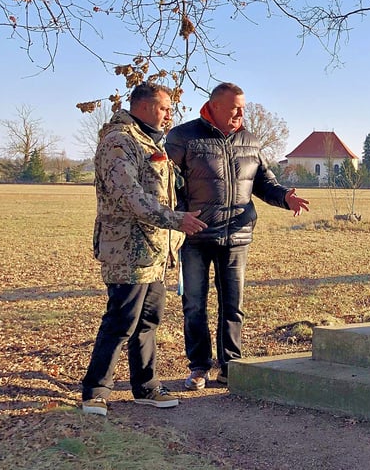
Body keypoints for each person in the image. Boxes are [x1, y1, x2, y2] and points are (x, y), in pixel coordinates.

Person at [166, 82, 309, 390]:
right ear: (215, 106)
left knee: (233, 305)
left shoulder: (250, 141)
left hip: (237, 235)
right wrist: (177, 217)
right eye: (235, 108)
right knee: (194, 305)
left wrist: (285, 197)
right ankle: (199, 366)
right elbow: (164, 183)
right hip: (195, 236)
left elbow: (264, 182)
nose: (241, 113)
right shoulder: (183, 137)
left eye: (243, 108)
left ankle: (230, 365)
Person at [81, 82, 208, 416]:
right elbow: (130, 196)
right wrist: (176, 219)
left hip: (154, 252)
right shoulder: (119, 141)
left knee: (148, 320)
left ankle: (146, 386)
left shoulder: (151, 141)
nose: (169, 115)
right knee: (121, 320)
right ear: (144, 106)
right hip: (126, 250)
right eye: (164, 108)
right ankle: (95, 391)